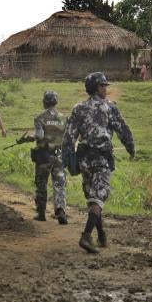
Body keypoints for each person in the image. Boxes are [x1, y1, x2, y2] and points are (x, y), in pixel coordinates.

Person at [62, 72, 135, 253]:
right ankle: (86, 236)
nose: (106, 89)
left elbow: (69, 137)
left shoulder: (78, 108)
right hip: (102, 158)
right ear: (96, 87)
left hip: (84, 159)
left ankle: (101, 235)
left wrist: (68, 159)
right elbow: (122, 129)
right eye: (103, 86)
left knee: (92, 197)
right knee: (99, 196)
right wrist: (130, 147)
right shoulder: (109, 107)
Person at [26, 91, 68, 224]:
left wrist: (30, 137)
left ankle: (41, 212)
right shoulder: (63, 118)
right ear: (56, 102)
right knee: (59, 184)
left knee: (41, 183)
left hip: (44, 155)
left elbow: (39, 135)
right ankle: (60, 210)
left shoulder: (40, 118)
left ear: (44, 102)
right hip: (59, 155)